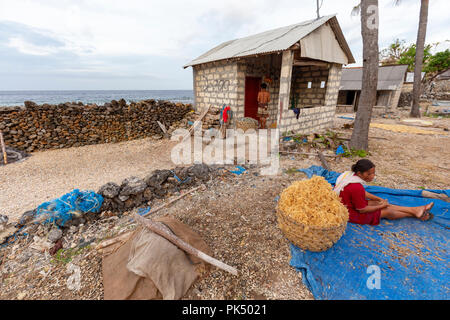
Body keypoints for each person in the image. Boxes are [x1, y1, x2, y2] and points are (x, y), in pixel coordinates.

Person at [334, 159, 434, 225]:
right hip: (350, 213)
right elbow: (362, 210)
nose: (372, 176)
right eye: (369, 174)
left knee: (379, 203)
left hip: (348, 204)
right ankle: (414, 213)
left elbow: (361, 194)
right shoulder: (356, 186)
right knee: (387, 212)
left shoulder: (348, 176)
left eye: (373, 173)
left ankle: (416, 210)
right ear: (359, 173)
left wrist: (379, 199)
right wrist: (381, 207)